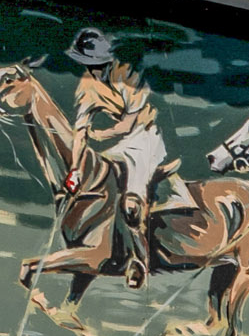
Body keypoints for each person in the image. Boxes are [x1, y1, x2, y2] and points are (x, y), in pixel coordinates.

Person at [64, 27, 175, 286]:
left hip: (145, 138)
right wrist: (75, 170)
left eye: (97, 64)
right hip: (119, 143)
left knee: (131, 203)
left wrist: (100, 135)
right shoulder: (86, 86)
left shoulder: (128, 75)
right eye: (88, 64)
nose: (94, 70)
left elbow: (127, 125)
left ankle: (140, 260)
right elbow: (80, 132)